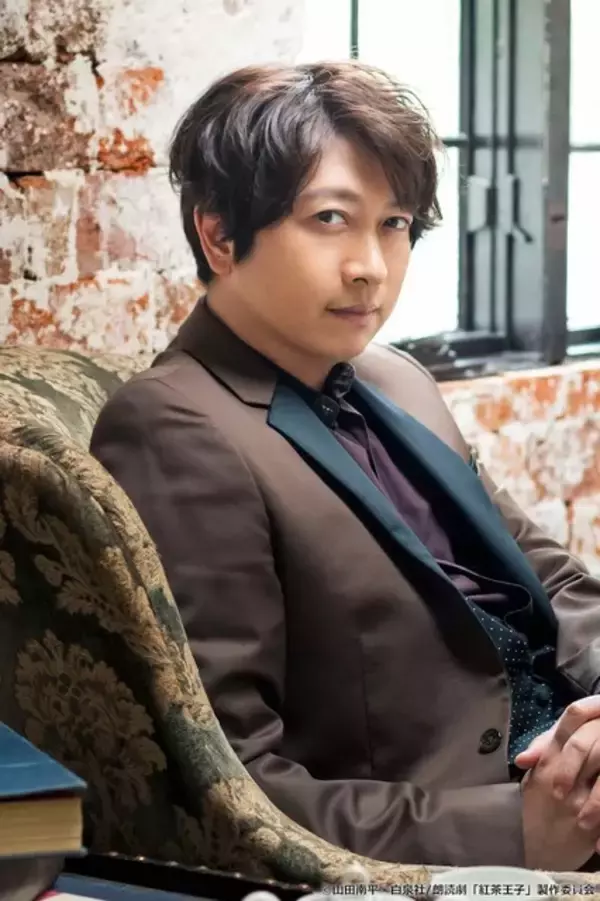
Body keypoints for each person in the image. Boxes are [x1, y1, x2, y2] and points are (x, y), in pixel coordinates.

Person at [90, 60, 600, 870]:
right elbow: (229, 779)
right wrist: (520, 831)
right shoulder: (173, 428)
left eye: (394, 223)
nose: (371, 265)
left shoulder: (397, 376)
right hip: (462, 833)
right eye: (330, 218)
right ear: (218, 234)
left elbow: (552, 578)